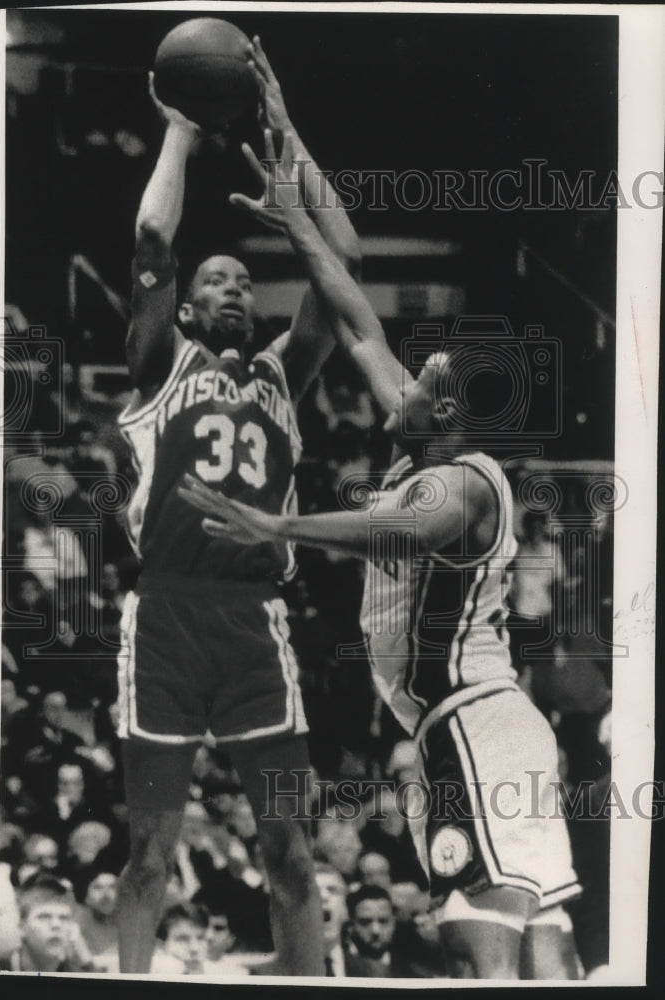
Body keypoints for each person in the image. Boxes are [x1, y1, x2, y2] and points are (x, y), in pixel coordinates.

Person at [179, 130, 581, 979]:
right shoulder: (428, 448)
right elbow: (351, 308)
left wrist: (279, 526)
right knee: (542, 940)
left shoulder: (462, 484)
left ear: (451, 412)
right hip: (484, 727)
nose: (403, 381)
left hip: (474, 724)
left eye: (425, 380)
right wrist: (296, 206)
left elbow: (391, 531)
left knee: (475, 941)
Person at [116, 38, 360, 976]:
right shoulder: (159, 364)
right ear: (185, 307)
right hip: (169, 613)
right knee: (147, 855)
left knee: (291, 857)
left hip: (255, 621)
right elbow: (150, 243)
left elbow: (341, 260)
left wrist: (286, 134)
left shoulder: (282, 377)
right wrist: (179, 132)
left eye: (242, 282)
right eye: (215, 280)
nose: (234, 289)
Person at [344, 885, 398, 977]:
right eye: (365, 922)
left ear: (393, 923)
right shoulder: (338, 969)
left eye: (383, 921)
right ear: (350, 925)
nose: (375, 931)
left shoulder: (412, 970)